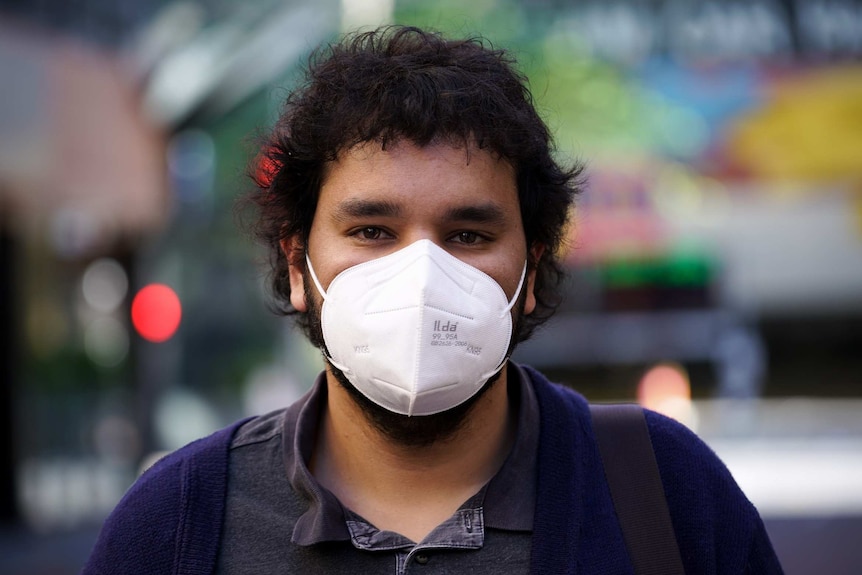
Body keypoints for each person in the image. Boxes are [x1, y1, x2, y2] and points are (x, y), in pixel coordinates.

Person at [83, 25, 783, 574]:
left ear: (531, 270)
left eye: (470, 234)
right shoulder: (175, 525)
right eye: (371, 230)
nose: (421, 272)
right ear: (299, 265)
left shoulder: (667, 495)